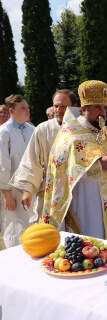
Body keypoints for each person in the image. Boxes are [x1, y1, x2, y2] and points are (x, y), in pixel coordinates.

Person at [41, 80, 107, 241]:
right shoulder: (70, 135)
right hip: (86, 204)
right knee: (90, 248)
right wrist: (100, 165)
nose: (102, 112)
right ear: (83, 109)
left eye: (104, 107)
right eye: (97, 107)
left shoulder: (106, 133)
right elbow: (63, 171)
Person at [10, 89, 78, 221]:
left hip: (78, 192)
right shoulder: (43, 129)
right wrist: (28, 189)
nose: (58, 110)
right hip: (50, 191)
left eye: (63, 106)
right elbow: (32, 160)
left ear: (74, 107)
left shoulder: (82, 129)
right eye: (56, 106)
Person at [0, 95, 35, 248]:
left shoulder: (33, 130)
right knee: (13, 226)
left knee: (32, 226)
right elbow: (2, 163)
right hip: (12, 190)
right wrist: (7, 194)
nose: (27, 111)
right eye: (23, 108)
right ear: (11, 111)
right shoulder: (3, 132)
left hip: (31, 187)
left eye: (28, 107)